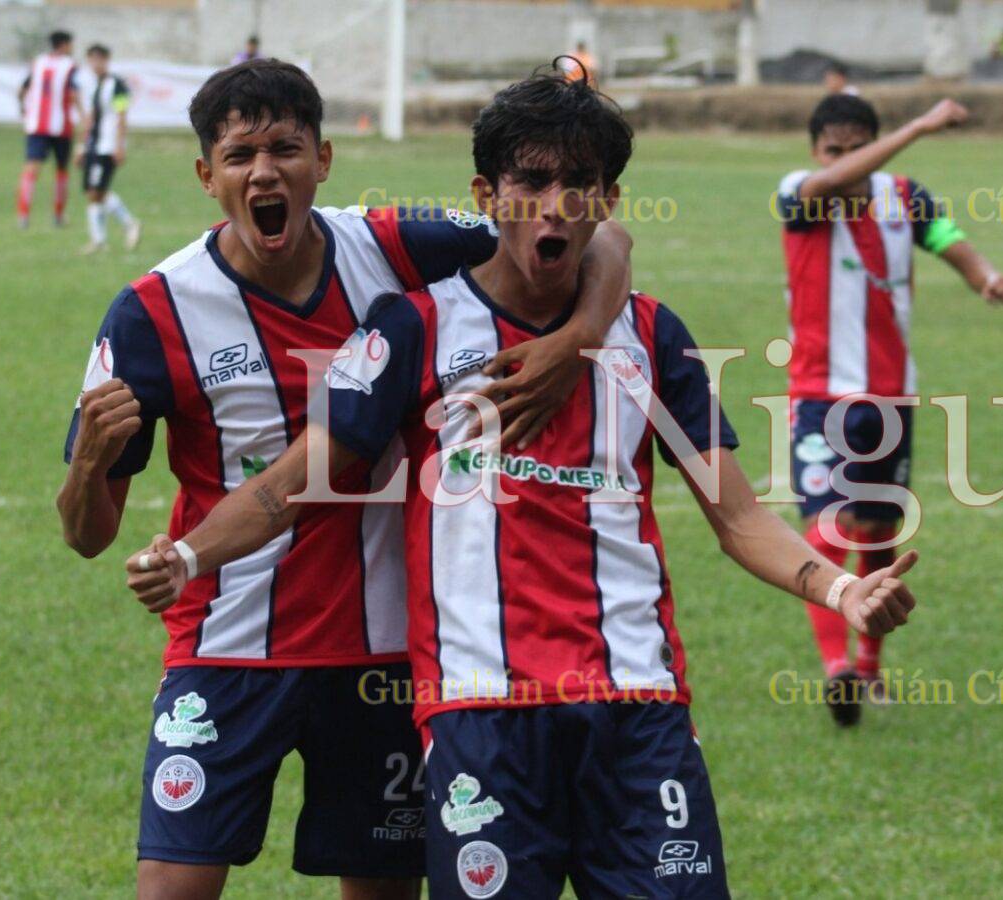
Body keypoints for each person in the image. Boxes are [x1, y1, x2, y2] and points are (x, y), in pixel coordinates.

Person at [124, 67, 920, 899]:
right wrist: (187, 556)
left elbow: (740, 516)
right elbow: (296, 480)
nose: (556, 206)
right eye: (532, 182)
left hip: (638, 710)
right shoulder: (413, 329)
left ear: (608, 200)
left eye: (580, 185)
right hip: (480, 720)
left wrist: (839, 591)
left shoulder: (652, 336)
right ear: (486, 194)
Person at [57, 58, 634, 899]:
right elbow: (87, 535)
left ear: (322, 160)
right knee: (171, 889)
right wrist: (85, 466)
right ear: (206, 175)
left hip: (386, 649)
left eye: (285, 148)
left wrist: (578, 336)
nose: (265, 171)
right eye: (241, 153)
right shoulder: (151, 311)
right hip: (227, 644)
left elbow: (603, 235)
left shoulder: (398, 246)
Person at [775, 93, 1003, 725]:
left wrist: (983, 276)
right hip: (822, 395)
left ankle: (869, 667)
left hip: (891, 395)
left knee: (879, 535)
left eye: (858, 148)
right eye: (835, 150)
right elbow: (828, 182)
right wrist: (919, 124)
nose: (847, 162)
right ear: (816, 152)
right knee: (827, 530)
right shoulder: (799, 191)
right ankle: (837, 671)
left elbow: (947, 237)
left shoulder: (902, 195)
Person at [76, 44, 142, 254]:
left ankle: (128, 223)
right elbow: (91, 119)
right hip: (94, 145)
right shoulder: (96, 85)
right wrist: (81, 145)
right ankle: (99, 240)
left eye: (98, 59)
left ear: (106, 60)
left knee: (97, 191)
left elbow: (122, 115)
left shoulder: (117, 85)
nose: (95, 64)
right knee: (92, 192)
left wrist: (119, 145)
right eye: (91, 60)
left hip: (108, 146)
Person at [16, 30, 83, 229]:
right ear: (64, 45)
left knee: (31, 169)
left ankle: (23, 215)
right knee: (61, 170)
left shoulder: (39, 62)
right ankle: (58, 215)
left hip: (37, 125)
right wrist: (84, 115)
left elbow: (22, 90)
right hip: (61, 127)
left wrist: (23, 108)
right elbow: (73, 94)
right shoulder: (69, 66)